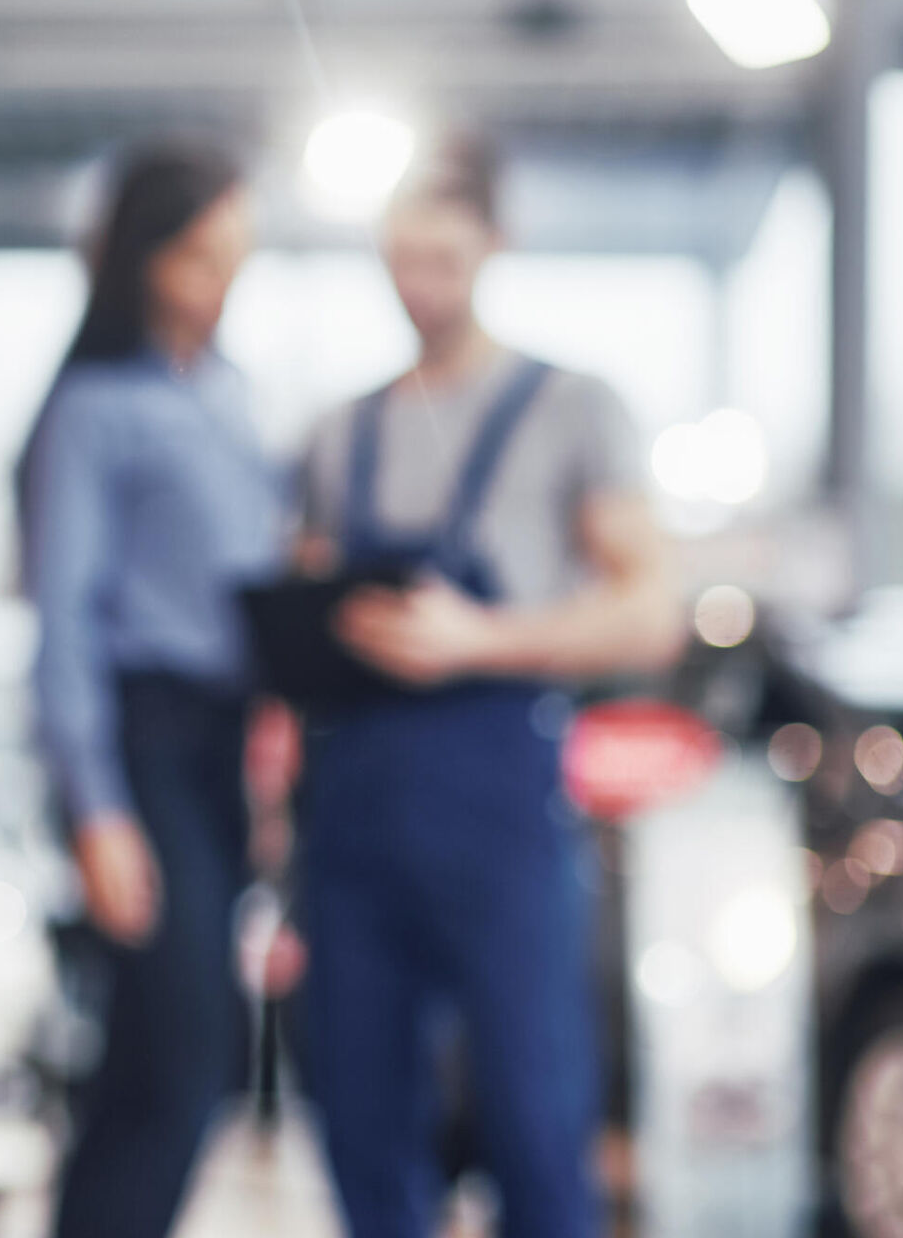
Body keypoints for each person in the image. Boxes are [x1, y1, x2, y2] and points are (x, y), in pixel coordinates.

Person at [290, 134, 684, 1238]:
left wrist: (478, 639)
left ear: (494, 244)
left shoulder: (572, 408)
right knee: (361, 1117)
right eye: (400, 257)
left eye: (444, 257)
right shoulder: (338, 433)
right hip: (353, 807)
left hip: (498, 801)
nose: (420, 282)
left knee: (531, 1109)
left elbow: (650, 607)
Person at [17, 144, 281, 1238]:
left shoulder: (231, 395)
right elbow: (64, 621)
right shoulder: (91, 410)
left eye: (237, 257)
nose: (222, 278)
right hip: (143, 739)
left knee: (146, 1068)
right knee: (187, 1055)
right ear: (147, 257)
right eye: (202, 254)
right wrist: (99, 807)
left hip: (223, 745)